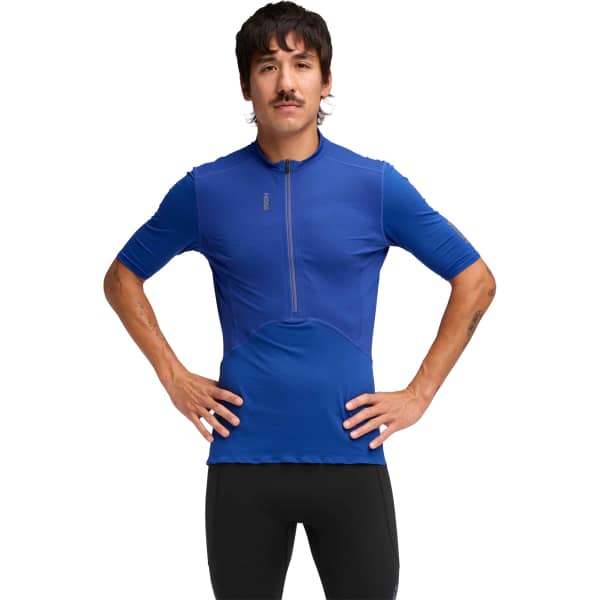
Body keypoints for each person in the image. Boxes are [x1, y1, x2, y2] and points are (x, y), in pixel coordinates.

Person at [103, 2, 496, 598]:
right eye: (268, 66)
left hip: (352, 457)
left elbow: (476, 280)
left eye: (302, 64)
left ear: (326, 80)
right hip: (244, 466)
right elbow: (122, 278)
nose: (285, 82)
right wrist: (172, 375)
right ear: (246, 85)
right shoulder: (206, 190)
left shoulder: (374, 185)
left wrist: (419, 394)